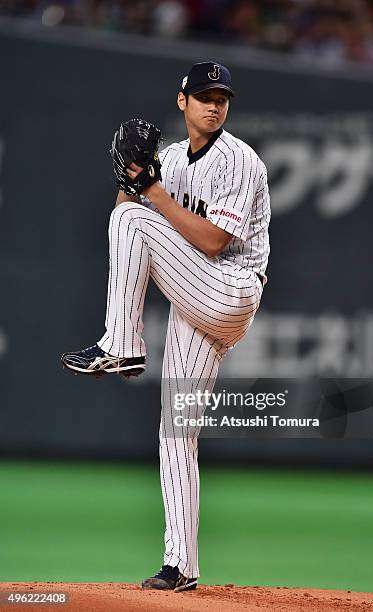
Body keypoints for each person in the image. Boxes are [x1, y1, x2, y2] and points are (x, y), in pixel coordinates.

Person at [61, 61, 271, 591]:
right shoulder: (171, 160)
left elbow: (213, 243)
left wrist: (149, 194)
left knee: (135, 218)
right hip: (194, 301)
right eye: (203, 96)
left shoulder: (240, 160)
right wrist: (129, 178)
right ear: (183, 103)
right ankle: (182, 568)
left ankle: (121, 345)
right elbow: (124, 215)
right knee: (177, 432)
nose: (214, 104)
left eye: (222, 96)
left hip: (230, 289)